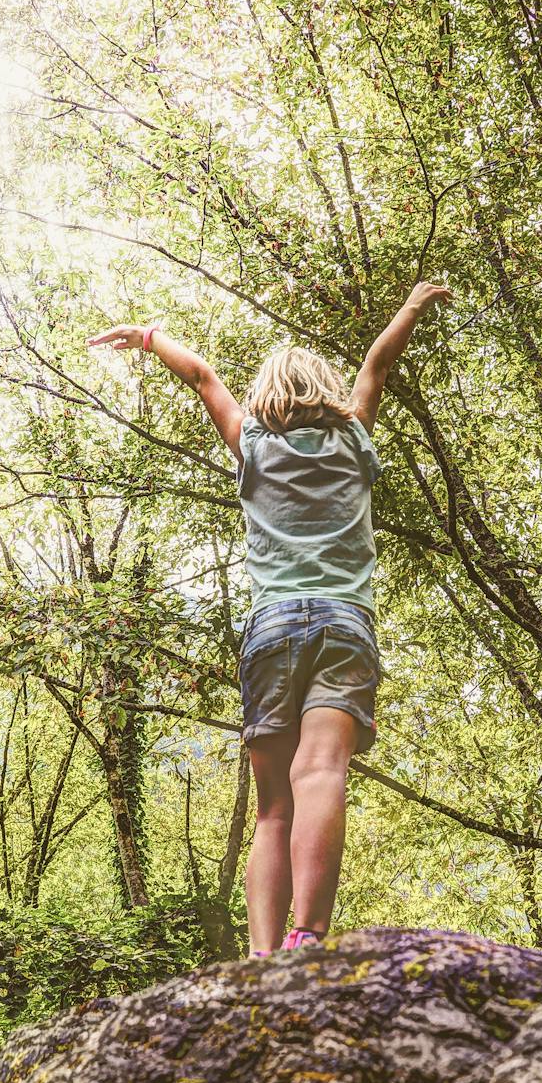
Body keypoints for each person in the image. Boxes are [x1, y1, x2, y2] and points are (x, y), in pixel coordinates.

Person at [88, 282, 451, 955]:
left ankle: (260, 956)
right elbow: (377, 367)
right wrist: (409, 307)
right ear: (325, 390)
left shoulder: (253, 444)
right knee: (321, 774)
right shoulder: (352, 438)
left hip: (272, 631)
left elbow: (201, 376)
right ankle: (307, 934)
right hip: (345, 627)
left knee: (272, 808)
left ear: (269, 392)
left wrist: (144, 337)